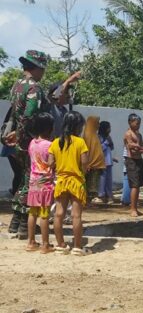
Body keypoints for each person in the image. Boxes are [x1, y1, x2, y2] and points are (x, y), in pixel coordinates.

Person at [5, 50, 49, 237]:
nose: (43, 73)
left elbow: (15, 114)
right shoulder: (34, 88)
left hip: (17, 143)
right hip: (28, 142)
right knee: (30, 182)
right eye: (43, 69)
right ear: (36, 68)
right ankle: (24, 225)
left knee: (24, 180)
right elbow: (29, 116)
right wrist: (27, 140)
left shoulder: (16, 85)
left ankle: (15, 224)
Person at [48, 111, 89, 256]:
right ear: (78, 126)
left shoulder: (55, 142)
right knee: (76, 216)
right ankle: (78, 247)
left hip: (61, 181)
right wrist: (83, 172)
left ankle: (61, 245)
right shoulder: (80, 142)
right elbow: (84, 162)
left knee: (58, 214)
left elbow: (50, 163)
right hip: (76, 181)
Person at [25, 112, 55, 253]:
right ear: (48, 128)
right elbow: (51, 163)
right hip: (46, 183)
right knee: (44, 214)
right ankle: (45, 244)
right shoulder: (50, 145)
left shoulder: (32, 143)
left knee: (33, 213)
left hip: (33, 182)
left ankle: (31, 242)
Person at [123, 113, 143, 216]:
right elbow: (131, 147)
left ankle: (135, 208)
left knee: (138, 185)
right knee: (134, 185)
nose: (138, 125)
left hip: (138, 159)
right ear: (130, 122)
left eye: (139, 124)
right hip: (131, 159)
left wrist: (142, 149)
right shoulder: (128, 134)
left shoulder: (139, 134)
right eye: (136, 123)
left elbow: (141, 146)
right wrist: (139, 148)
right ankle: (132, 209)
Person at [47, 71, 81, 138]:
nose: (68, 95)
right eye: (66, 93)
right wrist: (68, 81)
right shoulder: (50, 105)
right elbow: (55, 95)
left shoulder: (64, 110)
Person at [82, 116, 106, 204]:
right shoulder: (88, 135)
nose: (98, 125)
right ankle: (89, 199)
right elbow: (86, 150)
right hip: (90, 164)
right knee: (90, 183)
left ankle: (89, 199)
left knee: (93, 182)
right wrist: (88, 163)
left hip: (95, 164)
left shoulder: (93, 134)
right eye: (97, 123)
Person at [97, 121, 116, 203]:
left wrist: (110, 142)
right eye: (109, 128)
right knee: (102, 179)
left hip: (109, 161)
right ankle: (101, 195)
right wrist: (106, 143)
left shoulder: (108, 137)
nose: (110, 129)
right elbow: (99, 149)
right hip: (102, 161)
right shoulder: (98, 137)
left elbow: (111, 148)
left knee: (109, 179)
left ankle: (109, 195)